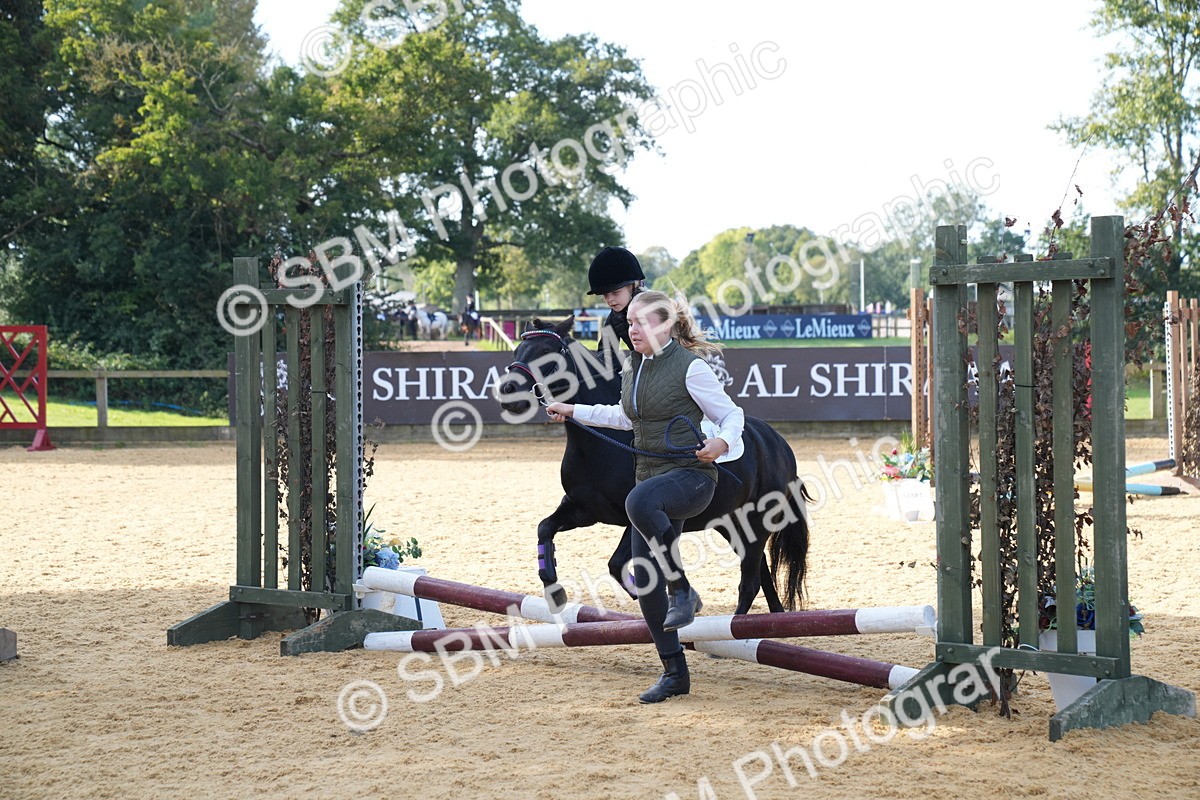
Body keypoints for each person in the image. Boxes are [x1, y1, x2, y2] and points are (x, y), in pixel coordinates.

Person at [545, 290, 744, 704]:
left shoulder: (691, 369)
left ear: (665, 325)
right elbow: (622, 416)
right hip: (650, 478)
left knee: (637, 503)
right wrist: (572, 409)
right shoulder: (634, 366)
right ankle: (675, 673)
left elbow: (731, 415)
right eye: (630, 323)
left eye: (639, 323)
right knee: (645, 578)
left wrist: (722, 444)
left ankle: (683, 588)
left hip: (691, 479)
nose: (631, 329)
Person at [586, 246, 645, 359]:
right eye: (605, 295)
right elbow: (605, 353)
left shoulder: (655, 309)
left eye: (615, 292)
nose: (610, 299)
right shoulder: (614, 317)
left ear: (634, 285)